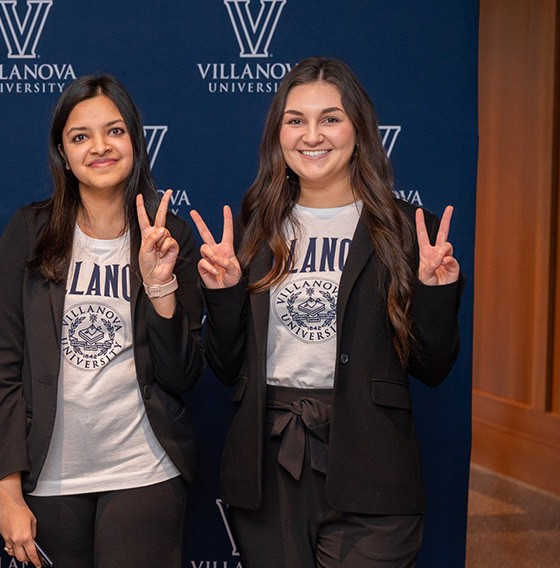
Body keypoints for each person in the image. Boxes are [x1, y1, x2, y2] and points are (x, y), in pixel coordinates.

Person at [192, 56, 463, 567]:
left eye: (330, 119)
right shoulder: (250, 231)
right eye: (295, 120)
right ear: (278, 134)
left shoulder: (409, 230)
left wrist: (434, 291)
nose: (312, 136)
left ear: (358, 130)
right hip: (269, 466)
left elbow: (433, 368)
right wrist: (224, 295)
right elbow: (225, 369)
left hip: (374, 467)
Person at [0, 74, 204, 568]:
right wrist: (6, 491)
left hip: (146, 471)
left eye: (115, 131)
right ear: (63, 153)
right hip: (49, 478)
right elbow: (1, 370)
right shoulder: (29, 233)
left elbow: (181, 375)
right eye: (81, 136)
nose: (100, 147)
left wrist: (160, 286)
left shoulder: (170, 236)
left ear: (135, 142)